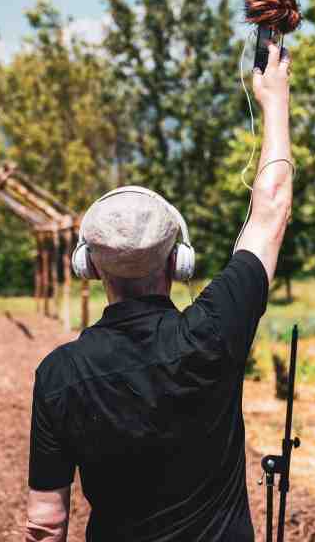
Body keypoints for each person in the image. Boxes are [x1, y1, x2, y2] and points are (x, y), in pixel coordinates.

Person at [25, 42, 294, 542]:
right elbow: (271, 210)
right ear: (178, 261)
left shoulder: (58, 375)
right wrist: (274, 98)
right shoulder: (213, 331)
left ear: (89, 267)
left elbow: (45, 523)